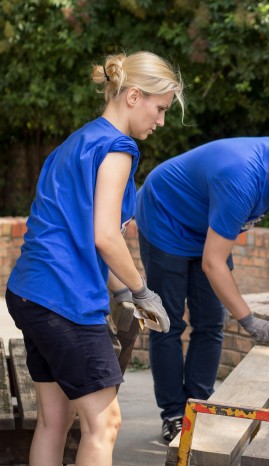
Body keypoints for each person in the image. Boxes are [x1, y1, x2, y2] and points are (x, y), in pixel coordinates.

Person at [5, 51, 183, 466]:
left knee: (54, 419)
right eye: (159, 109)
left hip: (30, 292)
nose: (159, 121)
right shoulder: (118, 147)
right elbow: (105, 235)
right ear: (134, 96)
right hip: (64, 300)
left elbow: (75, 229)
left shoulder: (76, 141)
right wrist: (141, 290)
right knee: (104, 426)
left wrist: (120, 292)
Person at [134, 137, 269, 441]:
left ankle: (199, 406)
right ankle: (175, 413)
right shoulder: (240, 181)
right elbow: (213, 264)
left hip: (208, 223)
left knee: (212, 322)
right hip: (167, 219)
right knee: (168, 323)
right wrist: (247, 319)